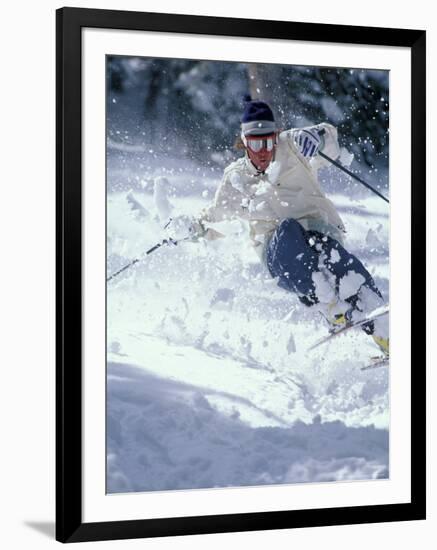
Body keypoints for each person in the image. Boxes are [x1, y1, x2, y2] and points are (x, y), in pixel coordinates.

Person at [167, 95, 389, 357]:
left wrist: (317, 137)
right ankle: (330, 307)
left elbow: (329, 142)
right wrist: (192, 227)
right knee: (287, 231)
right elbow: (215, 216)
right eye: (255, 143)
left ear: (276, 136)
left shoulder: (293, 146)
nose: (263, 150)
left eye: (268, 141)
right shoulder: (237, 178)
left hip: (320, 232)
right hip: (280, 257)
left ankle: (387, 334)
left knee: (339, 263)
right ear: (244, 143)